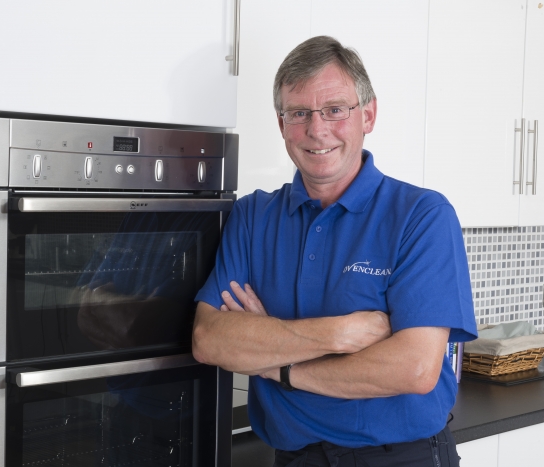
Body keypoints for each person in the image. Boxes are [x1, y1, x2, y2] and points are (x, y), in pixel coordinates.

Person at [191, 36, 477, 467]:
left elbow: (413, 369)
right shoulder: (253, 215)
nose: (316, 129)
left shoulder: (421, 215)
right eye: (299, 113)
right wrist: (337, 334)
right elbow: (210, 339)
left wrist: (278, 366)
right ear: (281, 122)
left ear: (369, 114)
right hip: (293, 458)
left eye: (335, 110)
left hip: (399, 458)